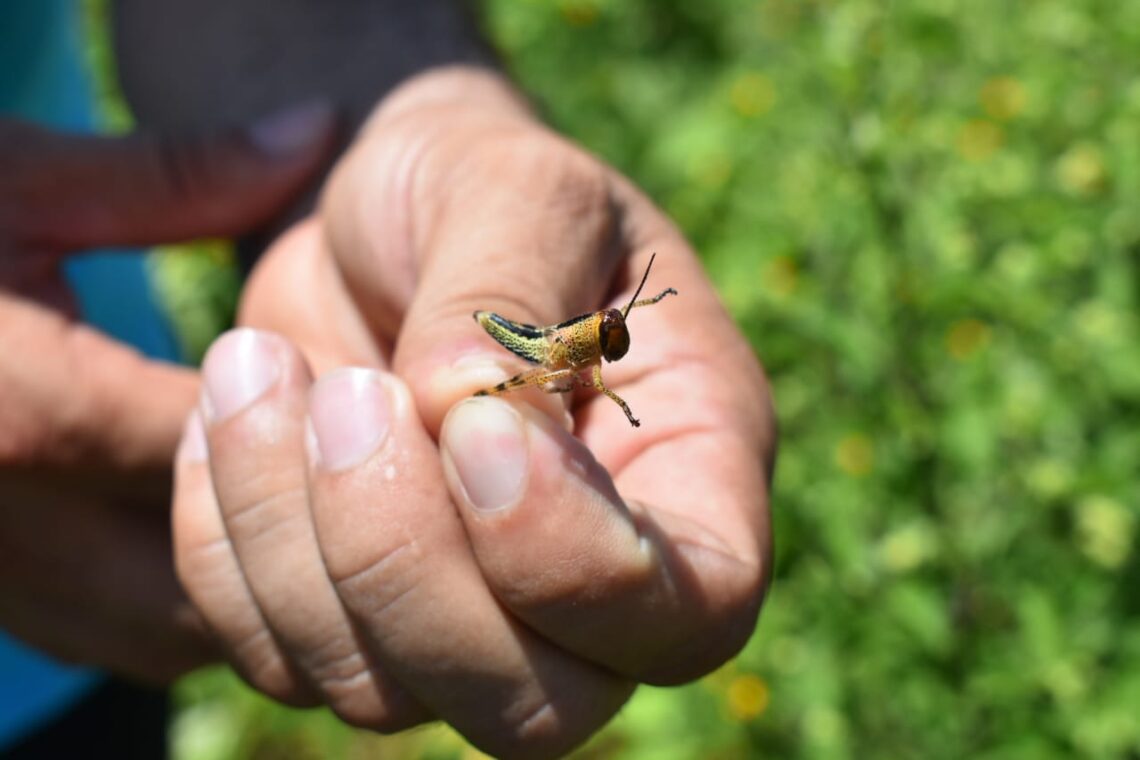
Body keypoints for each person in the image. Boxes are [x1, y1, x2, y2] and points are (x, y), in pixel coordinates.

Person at [2, 2, 776, 758]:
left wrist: (426, 113)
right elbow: (543, 361)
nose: (612, 336)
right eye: (608, 330)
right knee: (490, 385)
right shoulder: (566, 355)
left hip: (76, 652)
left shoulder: (587, 352)